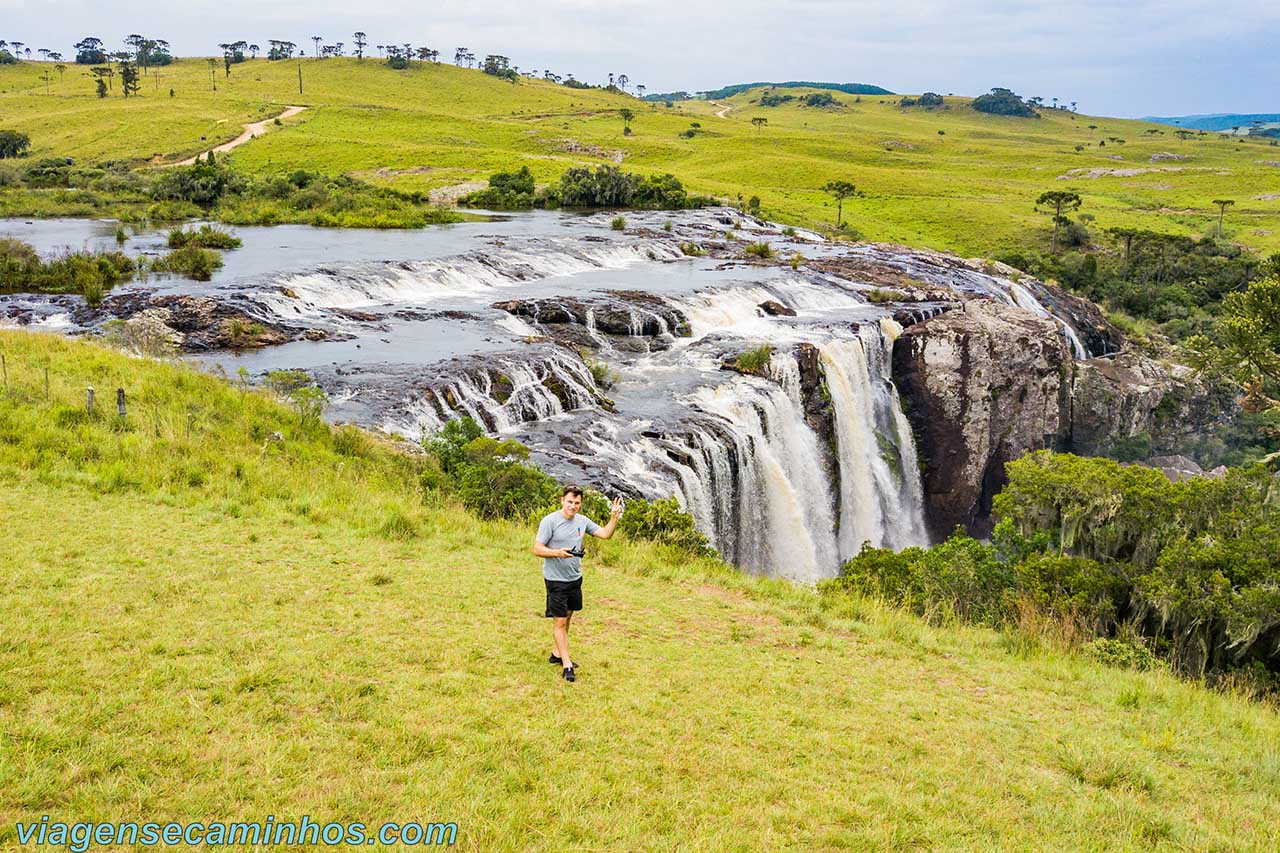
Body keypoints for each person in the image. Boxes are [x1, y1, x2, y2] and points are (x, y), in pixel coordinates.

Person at [532, 486, 623, 682]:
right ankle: (567, 664)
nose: (573, 506)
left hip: (574, 578)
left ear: (580, 504)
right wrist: (557, 552)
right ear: (562, 501)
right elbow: (537, 549)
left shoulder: (582, 521)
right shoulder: (550, 521)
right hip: (555, 580)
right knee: (560, 621)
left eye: (577, 503)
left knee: (569, 616)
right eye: (570, 502)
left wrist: (614, 517)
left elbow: (606, 534)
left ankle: (557, 653)